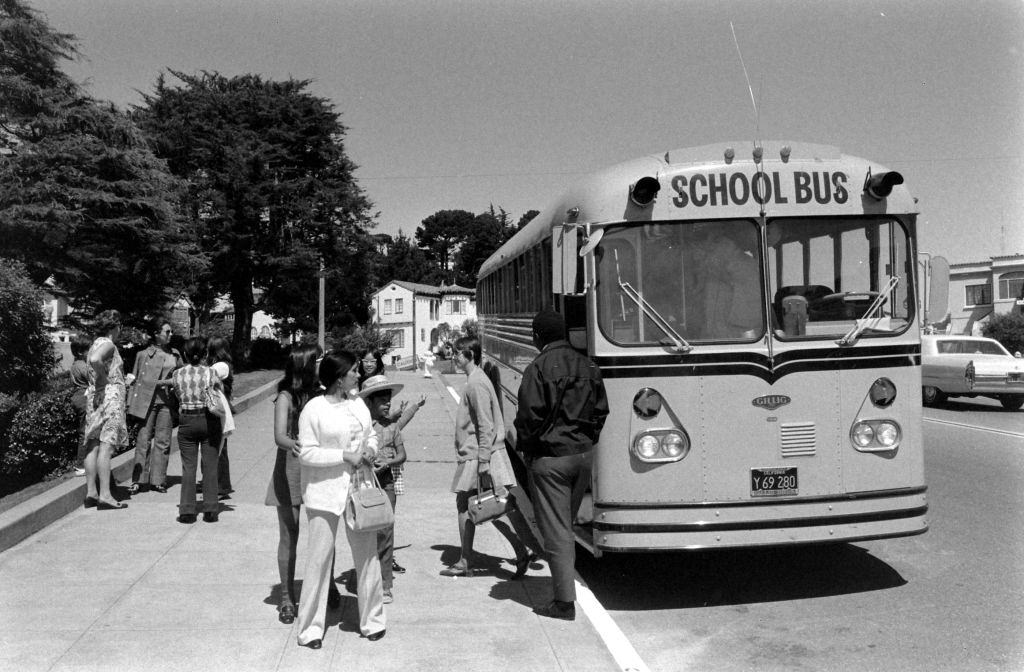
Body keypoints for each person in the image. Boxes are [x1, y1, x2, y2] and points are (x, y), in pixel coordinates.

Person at [514, 309, 609, 620]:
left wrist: (529, 451)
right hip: (582, 455)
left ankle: (564, 603)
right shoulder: (588, 364)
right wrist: (586, 441)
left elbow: (529, 418)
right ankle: (566, 585)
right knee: (565, 524)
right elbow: (600, 411)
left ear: (538, 336)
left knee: (556, 532)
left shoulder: (538, 367)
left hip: (551, 459)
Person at [295, 350, 385, 649]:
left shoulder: (358, 403)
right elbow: (306, 452)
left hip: (360, 490)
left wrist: (370, 449)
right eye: (354, 372)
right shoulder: (314, 409)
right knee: (319, 561)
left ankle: (373, 621)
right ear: (338, 377)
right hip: (324, 494)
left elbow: (371, 435)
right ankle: (310, 629)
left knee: (368, 557)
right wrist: (344, 456)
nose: (358, 376)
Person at [441, 335, 541, 579]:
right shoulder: (477, 380)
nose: (454, 356)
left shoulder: (475, 384)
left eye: (458, 353)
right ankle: (522, 550)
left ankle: (468, 560)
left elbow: (485, 425)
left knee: (478, 506)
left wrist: (484, 461)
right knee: (493, 506)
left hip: (479, 455)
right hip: (480, 453)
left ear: (470, 356)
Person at [264, 343, 340, 625]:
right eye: (318, 359)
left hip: (319, 467)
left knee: (324, 532)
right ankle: (286, 597)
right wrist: (296, 445)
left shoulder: (322, 394)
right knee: (289, 534)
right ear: (305, 364)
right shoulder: (285, 396)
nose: (323, 363)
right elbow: (279, 436)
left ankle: (328, 584)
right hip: (290, 468)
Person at [357, 374, 408, 605]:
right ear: (369, 402)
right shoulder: (361, 428)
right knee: (367, 532)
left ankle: (386, 584)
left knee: (386, 532)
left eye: (389, 398)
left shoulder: (393, 427)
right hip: (365, 483)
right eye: (382, 399)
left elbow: (402, 455)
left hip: (386, 482)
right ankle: (368, 579)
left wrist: (388, 462)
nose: (388, 403)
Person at [126, 318, 182, 494]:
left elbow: (181, 376)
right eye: (167, 331)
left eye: (171, 331)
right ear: (156, 334)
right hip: (146, 403)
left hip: (167, 403)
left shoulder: (175, 354)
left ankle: (158, 480)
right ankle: (138, 480)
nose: (170, 334)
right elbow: (133, 380)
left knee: (163, 441)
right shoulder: (143, 355)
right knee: (142, 440)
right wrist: (129, 404)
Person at [170, 337, 222, 524]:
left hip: (186, 421)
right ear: (205, 354)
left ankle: (187, 510)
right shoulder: (211, 372)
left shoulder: (177, 374)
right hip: (208, 420)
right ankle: (210, 509)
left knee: (188, 466)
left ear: (184, 354)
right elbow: (219, 392)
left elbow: (176, 395)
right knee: (210, 466)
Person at [83, 310, 130, 510]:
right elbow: (96, 360)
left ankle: (91, 492)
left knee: (92, 443)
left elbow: (92, 360)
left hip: (94, 398)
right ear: (115, 326)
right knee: (106, 445)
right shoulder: (108, 344)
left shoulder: (94, 343)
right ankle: (105, 495)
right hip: (110, 397)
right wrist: (104, 378)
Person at [206, 336, 234, 499]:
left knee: (218, 448)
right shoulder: (224, 365)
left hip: (218, 411)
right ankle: (219, 483)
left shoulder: (220, 366)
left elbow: (207, 377)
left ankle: (221, 485)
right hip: (220, 409)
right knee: (219, 448)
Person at [69, 332, 92, 477]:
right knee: (85, 431)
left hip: (81, 396)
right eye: (88, 349)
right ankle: (80, 465)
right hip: (83, 397)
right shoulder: (81, 365)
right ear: (80, 351)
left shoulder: (77, 364)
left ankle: (84, 462)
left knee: (88, 430)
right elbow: (93, 377)